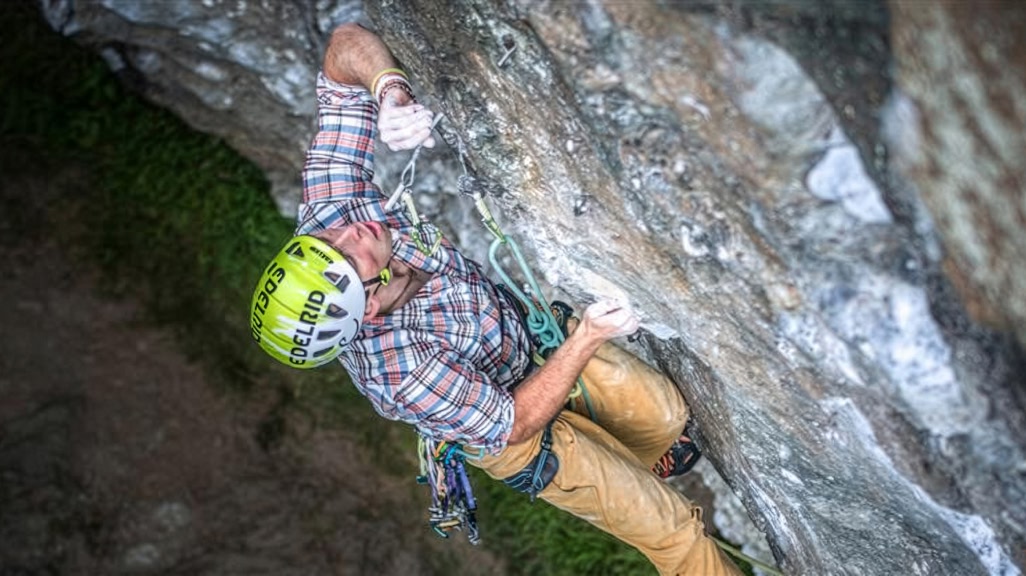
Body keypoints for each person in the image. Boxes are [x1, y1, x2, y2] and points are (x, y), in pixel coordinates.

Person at [250, 22, 741, 576]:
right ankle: (633, 490)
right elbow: (515, 422)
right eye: (345, 257)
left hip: (519, 343)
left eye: (323, 242)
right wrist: (587, 336)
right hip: (514, 433)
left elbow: (343, 49)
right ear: (366, 309)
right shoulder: (398, 370)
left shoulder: (332, 217)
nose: (349, 233)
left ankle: (642, 459)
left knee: (668, 414)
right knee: (671, 529)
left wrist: (388, 91)